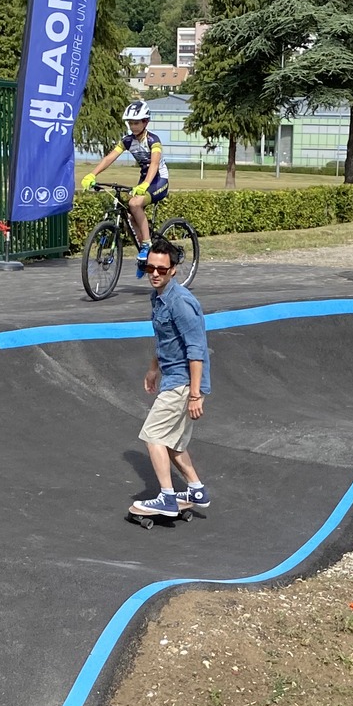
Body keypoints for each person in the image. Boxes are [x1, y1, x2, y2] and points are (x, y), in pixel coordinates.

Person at [128, 236, 211, 520]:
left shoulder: (180, 303)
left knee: (153, 436)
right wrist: (154, 368)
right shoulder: (158, 297)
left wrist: (195, 395)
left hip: (184, 383)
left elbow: (196, 350)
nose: (154, 274)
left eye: (161, 270)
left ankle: (166, 497)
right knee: (174, 444)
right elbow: (164, 340)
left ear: (173, 269)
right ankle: (196, 489)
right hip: (173, 378)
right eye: (150, 268)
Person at [81, 99, 168, 268]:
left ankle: (146, 244)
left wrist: (145, 185)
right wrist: (92, 174)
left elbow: (155, 165)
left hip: (159, 180)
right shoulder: (128, 141)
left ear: (146, 122)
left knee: (134, 204)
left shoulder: (153, 141)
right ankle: (146, 253)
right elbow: (110, 157)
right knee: (129, 215)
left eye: (136, 123)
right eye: (130, 123)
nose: (133, 126)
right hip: (144, 181)